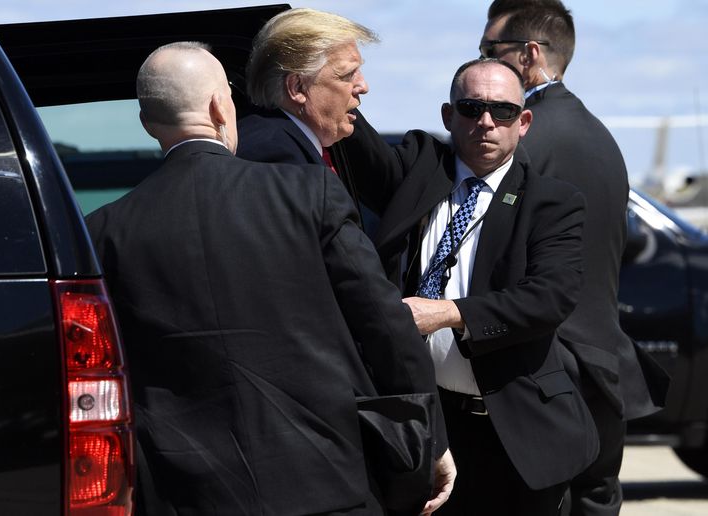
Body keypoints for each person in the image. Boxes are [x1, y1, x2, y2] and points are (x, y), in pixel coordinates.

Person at [85, 42, 455, 516]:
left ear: (147, 123)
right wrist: (432, 441)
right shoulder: (309, 192)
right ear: (221, 107)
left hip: (187, 496)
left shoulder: (104, 231)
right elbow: (384, 322)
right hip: (327, 482)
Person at [343, 58, 598, 516]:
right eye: (470, 107)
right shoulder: (420, 168)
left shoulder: (551, 202)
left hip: (516, 430)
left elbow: (550, 297)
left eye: (501, 111)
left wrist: (448, 312)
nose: (485, 122)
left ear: (523, 123)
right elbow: (360, 147)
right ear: (448, 115)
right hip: (431, 424)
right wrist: (325, 75)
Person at [481, 3, 670, 515]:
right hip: (604, 367)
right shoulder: (599, 135)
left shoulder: (525, 138)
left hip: (543, 375)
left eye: (489, 51)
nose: (480, 64)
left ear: (529, 55)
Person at [237, 8, 378, 231]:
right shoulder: (275, 157)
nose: (363, 87)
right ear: (298, 87)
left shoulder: (285, 141)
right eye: (347, 75)